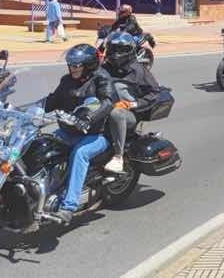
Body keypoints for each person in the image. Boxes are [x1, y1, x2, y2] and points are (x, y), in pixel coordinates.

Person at [44, 44, 115, 224]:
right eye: (71, 64)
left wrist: (90, 117)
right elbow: (52, 100)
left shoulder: (101, 79)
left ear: (89, 65)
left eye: (77, 65)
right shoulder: (67, 80)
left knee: (80, 154)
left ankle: (69, 205)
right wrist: (30, 109)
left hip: (97, 134)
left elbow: (106, 102)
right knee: (42, 144)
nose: (73, 68)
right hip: (69, 130)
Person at [102, 31, 160, 173]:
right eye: (113, 49)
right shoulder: (104, 68)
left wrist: (132, 104)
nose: (115, 53)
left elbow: (154, 93)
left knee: (116, 113)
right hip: (104, 107)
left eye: (119, 50)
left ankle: (118, 157)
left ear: (127, 51)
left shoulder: (138, 70)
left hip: (128, 113)